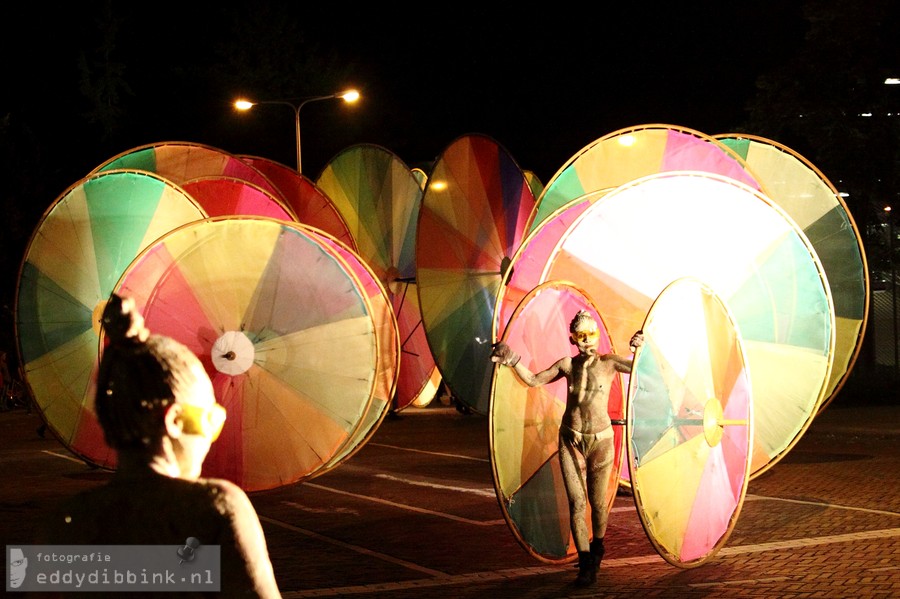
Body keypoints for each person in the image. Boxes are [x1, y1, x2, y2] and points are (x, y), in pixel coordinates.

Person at [40, 295, 281, 597]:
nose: (210, 437)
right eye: (210, 420)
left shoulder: (66, 523)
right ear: (175, 421)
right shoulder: (216, 508)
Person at [491, 309, 642, 586]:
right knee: (577, 503)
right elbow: (534, 380)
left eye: (591, 335)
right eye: (581, 336)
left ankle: (597, 548)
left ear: (597, 336)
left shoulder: (608, 363)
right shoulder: (566, 366)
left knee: (597, 505)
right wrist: (512, 359)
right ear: (573, 339)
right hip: (570, 439)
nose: (587, 341)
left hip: (601, 442)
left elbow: (638, 367)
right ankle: (585, 563)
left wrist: (639, 348)